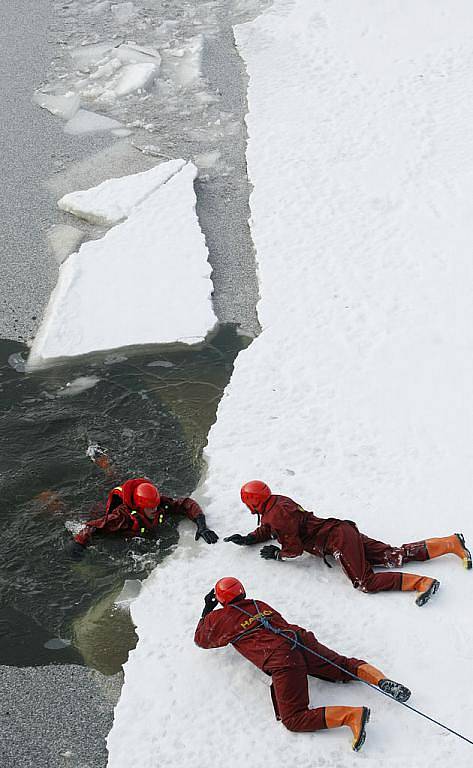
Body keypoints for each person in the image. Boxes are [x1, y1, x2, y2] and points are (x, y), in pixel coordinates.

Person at [194, 577, 411, 751]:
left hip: (282, 658)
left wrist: (207, 609)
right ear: (242, 592)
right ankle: (382, 680)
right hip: (300, 640)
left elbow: (201, 639)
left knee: (294, 719)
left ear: (221, 600)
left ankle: (352, 716)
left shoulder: (219, 619)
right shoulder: (258, 604)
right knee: (344, 666)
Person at [224, 481, 472, 605]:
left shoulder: (276, 515)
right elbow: (274, 528)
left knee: (365, 582)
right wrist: (249, 538)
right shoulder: (277, 503)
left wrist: (278, 555)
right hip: (341, 530)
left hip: (337, 539)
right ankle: (449, 543)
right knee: (392, 555)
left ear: (253, 502)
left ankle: (423, 583)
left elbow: (294, 548)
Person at [67, 477, 218, 559]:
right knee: (68, 512)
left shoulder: (159, 504)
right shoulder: (121, 518)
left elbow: (186, 504)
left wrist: (201, 524)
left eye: (156, 506)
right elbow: (91, 526)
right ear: (138, 507)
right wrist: (79, 544)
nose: (155, 510)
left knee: (114, 477)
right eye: (150, 508)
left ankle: (108, 469)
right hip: (101, 513)